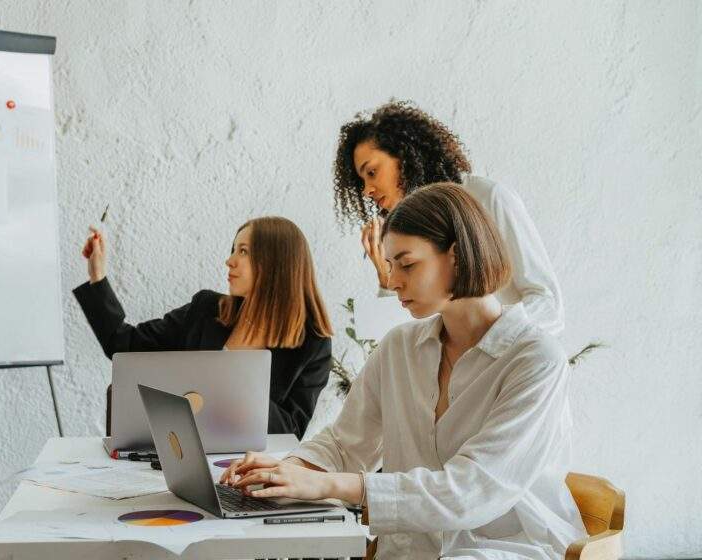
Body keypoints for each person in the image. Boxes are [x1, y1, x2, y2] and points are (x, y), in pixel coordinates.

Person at [221, 184, 586, 559]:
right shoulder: (399, 347)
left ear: (457, 256)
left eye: (407, 264)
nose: (393, 280)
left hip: (505, 549)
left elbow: (471, 492)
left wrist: (326, 485)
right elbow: (346, 443)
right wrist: (283, 471)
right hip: (410, 550)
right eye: (390, 265)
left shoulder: (536, 360)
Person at [73, 216, 333, 439]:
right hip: (181, 452)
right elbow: (122, 344)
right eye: (233, 249)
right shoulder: (206, 310)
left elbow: (290, 433)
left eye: (243, 251)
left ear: (277, 264)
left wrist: (236, 382)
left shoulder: (313, 344)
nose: (229, 260)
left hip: (248, 466)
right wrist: (97, 275)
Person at [334, 100, 564, 334]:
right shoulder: (403, 234)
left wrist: (487, 339)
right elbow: (401, 337)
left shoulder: (488, 198)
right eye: (362, 182)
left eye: (372, 172)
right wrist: (387, 275)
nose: (367, 190)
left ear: (405, 156)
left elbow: (548, 306)